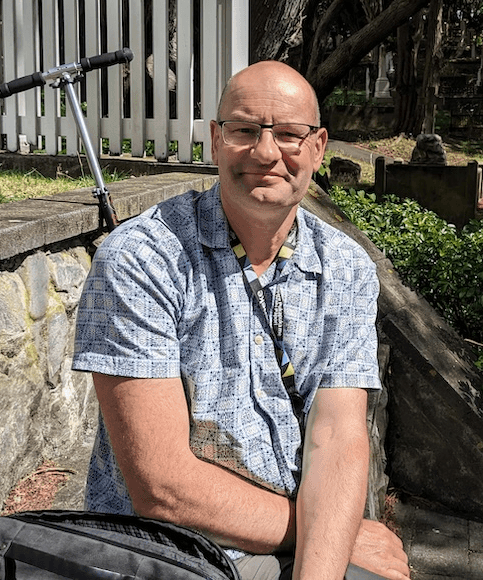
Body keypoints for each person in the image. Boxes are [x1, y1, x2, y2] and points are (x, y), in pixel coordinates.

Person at [72, 60, 410, 580]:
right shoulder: (143, 259)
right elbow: (162, 487)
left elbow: (338, 433)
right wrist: (327, 531)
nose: (266, 152)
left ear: (318, 148)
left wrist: (321, 555)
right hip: (173, 551)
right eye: (244, 130)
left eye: (289, 134)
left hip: (290, 535)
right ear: (215, 140)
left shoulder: (345, 268)